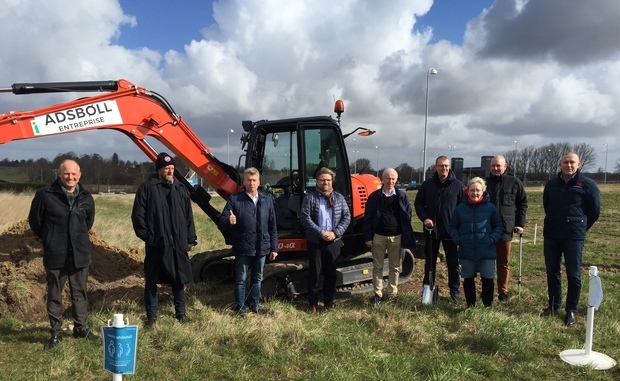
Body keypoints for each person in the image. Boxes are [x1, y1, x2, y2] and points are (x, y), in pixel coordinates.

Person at [28, 159, 100, 350]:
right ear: (59, 174)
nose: (70, 177)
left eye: (74, 173)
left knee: (80, 293)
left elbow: (88, 223)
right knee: (54, 295)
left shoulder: (86, 197)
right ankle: (56, 333)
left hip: (80, 254)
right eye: (66, 173)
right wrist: (50, 238)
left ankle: (81, 328)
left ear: (80, 175)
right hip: (56, 254)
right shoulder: (45, 195)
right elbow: (35, 222)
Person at [132, 152, 197, 327]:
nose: (169, 171)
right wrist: (150, 238)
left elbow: (188, 217)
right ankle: (152, 317)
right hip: (157, 245)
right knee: (152, 281)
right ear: (159, 169)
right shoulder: (147, 189)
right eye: (166, 168)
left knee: (178, 279)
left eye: (172, 168)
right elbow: (138, 218)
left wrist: (190, 239)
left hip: (178, 245)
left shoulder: (180, 189)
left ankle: (181, 313)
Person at [542, 152, 600, 326]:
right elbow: (547, 206)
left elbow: (594, 210)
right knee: (552, 272)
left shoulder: (587, 185)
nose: (568, 165)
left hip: (574, 236)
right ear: (560, 165)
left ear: (578, 164)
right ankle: (553, 305)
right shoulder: (551, 185)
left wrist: (581, 227)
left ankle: (571, 311)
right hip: (552, 234)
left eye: (572, 162)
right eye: (565, 162)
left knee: (573, 274)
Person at [219, 167, 278, 315]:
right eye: (248, 180)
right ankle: (240, 308)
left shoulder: (267, 200)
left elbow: (272, 226)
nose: (251, 183)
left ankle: (254, 305)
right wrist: (229, 220)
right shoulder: (235, 199)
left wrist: (274, 248)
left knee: (257, 278)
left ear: (259, 182)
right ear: (244, 182)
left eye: (254, 180)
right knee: (241, 279)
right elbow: (222, 221)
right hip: (243, 246)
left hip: (262, 246)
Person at [414, 155, 465, 303]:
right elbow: (418, 204)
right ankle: (428, 291)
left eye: (447, 166)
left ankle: (455, 292)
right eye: (441, 166)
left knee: (453, 264)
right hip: (432, 232)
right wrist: (425, 218)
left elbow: (463, 208)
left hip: (451, 233)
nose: (444, 168)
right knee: (430, 263)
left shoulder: (458, 185)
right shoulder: (427, 185)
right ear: (435, 167)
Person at [300, 167, 351, 313]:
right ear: (317, 181)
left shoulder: (339, 198)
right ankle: (313, 303)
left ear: (332, 181)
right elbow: (305, 218)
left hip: (333, 242)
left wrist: (335, 233)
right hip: (316, 242)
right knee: (315, 273)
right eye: (322, 180)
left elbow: (346, 217)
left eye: (328, 180)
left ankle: (329, 301)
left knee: (331, 273)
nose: (325, 182)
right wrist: (321, 233)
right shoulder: (310, 198)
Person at [363, 168, 416, 306]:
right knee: (377, 267)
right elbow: (368, 218)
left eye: (393, 179)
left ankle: (392, 294)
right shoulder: (374, 197)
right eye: (388, 178)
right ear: (382, 179)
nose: (390, 181)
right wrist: (368, 237)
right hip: (378, 236)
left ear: (396, 180)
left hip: (396, 236)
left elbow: (407, 214)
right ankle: (378, 295)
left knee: (395, 267)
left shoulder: (401, 196)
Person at [448, 177, 503, 308]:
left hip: (486, 250)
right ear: (467, 191)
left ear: (483, 191)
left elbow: (498, 226)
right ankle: (470, 305)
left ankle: (487, 305)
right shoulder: (460, 208)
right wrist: (458, 239)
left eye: (478, 190)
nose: (475, 193)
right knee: (468, 279)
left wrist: (492, 238)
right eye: (472, 190)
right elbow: (452, 227)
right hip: (466, 250)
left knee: (488, 279)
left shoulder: (490, 208)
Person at [486, 155, 528, 302]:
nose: (496, 168)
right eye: (493, 166)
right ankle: (487, 290)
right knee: (486, 261)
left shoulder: (514, 182)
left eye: (498, 166)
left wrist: (520, 224)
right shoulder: (484, 182)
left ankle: (502, 291)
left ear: (506, 166)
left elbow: (522, 204)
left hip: (506, 228)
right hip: (486, 228)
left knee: (503, 262)